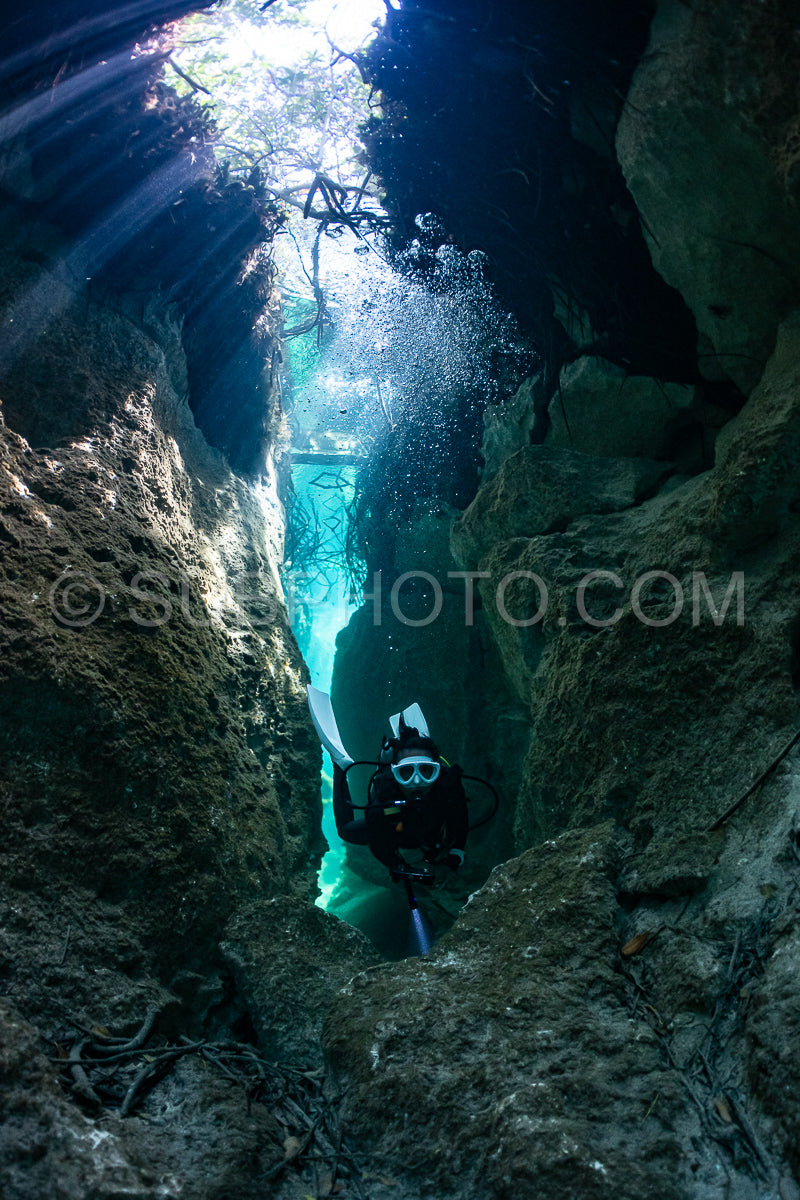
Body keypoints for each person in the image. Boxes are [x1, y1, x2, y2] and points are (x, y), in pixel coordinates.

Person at [332, 723, 468, 884]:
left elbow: (460, 820)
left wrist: (455, 856)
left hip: (426, 832)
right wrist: (398, 866)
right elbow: (377, 843)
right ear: (395, 773)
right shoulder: (385, 798)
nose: (417, 782)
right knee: (345, 831)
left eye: (426, 771)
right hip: (395, 830)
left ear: (437, 771)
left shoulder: (448, 786)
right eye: (406, 772)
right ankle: (339, 766)